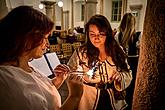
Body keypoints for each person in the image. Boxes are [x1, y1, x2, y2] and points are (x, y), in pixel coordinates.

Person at [0, 6, 83, 110]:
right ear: (27, 38)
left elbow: (38, 94)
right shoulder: (6, 81)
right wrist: (75, 96)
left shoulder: (25, 65)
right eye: (45, 38)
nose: (47, 44)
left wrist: (57, 81)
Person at [67, 14, 132, 110]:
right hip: (88, 99)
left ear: (107, 33)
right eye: (92, 34)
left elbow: (128, 73)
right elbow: (70, 72)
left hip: (113, 99)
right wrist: (76, 73)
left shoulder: (117, 51)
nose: (96, 38)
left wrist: (120, 77)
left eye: (100, 34)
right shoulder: (81, 52)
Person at [114, 13, 141, 110]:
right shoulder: (138, 36)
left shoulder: (118, 35)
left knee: (123, 87)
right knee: (132, 89)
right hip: (134, 65)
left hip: (123, 65)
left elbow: (115, 52)